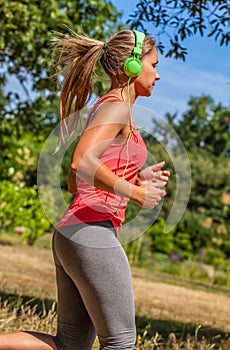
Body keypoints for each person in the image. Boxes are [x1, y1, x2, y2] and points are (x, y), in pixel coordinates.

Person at [0, 27, 170, 350]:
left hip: (73, 232)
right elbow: (80, 163)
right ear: (133, 66)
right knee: (120, 341)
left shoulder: (111, 109)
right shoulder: (116, 107)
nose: (158, 75)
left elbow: (74, 181)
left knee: (70, 345)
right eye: (154, 64)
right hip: (91, 232)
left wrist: (135, 178)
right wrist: (135, 193)